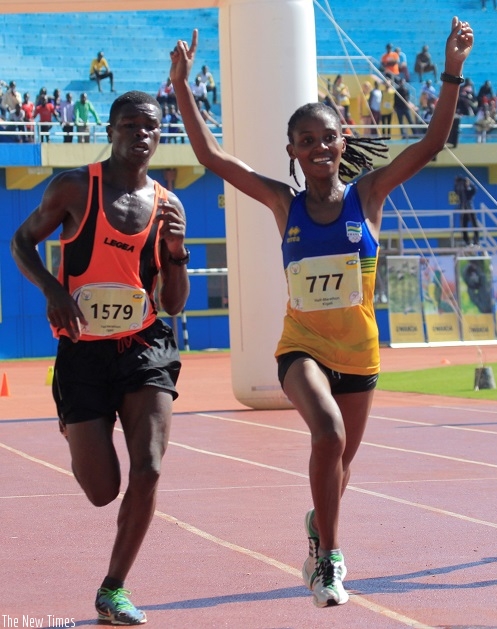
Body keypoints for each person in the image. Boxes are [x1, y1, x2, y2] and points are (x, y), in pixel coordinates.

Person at [169, 17, 473, 608]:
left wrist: (453, 71)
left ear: (342, 141)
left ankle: (318, 526)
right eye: (305, 141)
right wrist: (182, 84)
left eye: (326, 138)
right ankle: (330, 562)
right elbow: (210, 155)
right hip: (300, 347)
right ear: (292, 152)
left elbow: (432, 144)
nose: (318, 148)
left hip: (359, 354)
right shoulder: (282, 202)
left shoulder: (371, 195)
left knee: (339, 469)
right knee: (327, 433)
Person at [10, 90, 190, 625]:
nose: (142, 135)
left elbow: (172, 303)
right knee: (102, 490)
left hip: (144, 346)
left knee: (151, 466)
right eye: (130, 125)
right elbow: (21, 241)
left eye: (151, 127)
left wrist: (179, 253)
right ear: (109, 131)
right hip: (82, 355)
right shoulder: (73, 187)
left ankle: (113, 588)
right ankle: (76, 428)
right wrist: (53, 291)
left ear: (160, 135)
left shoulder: (167, 205)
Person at [454, 175, 479, 245]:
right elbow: (456, 190)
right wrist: (457, 183)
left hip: (470, 209)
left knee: (475, 225)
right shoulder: (460, 191)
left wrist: (470, 183)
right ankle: (466, 241)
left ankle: (476, 240)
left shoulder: (469, 191)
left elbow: (475, 189)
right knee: (464, 226)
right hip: (463, 209)